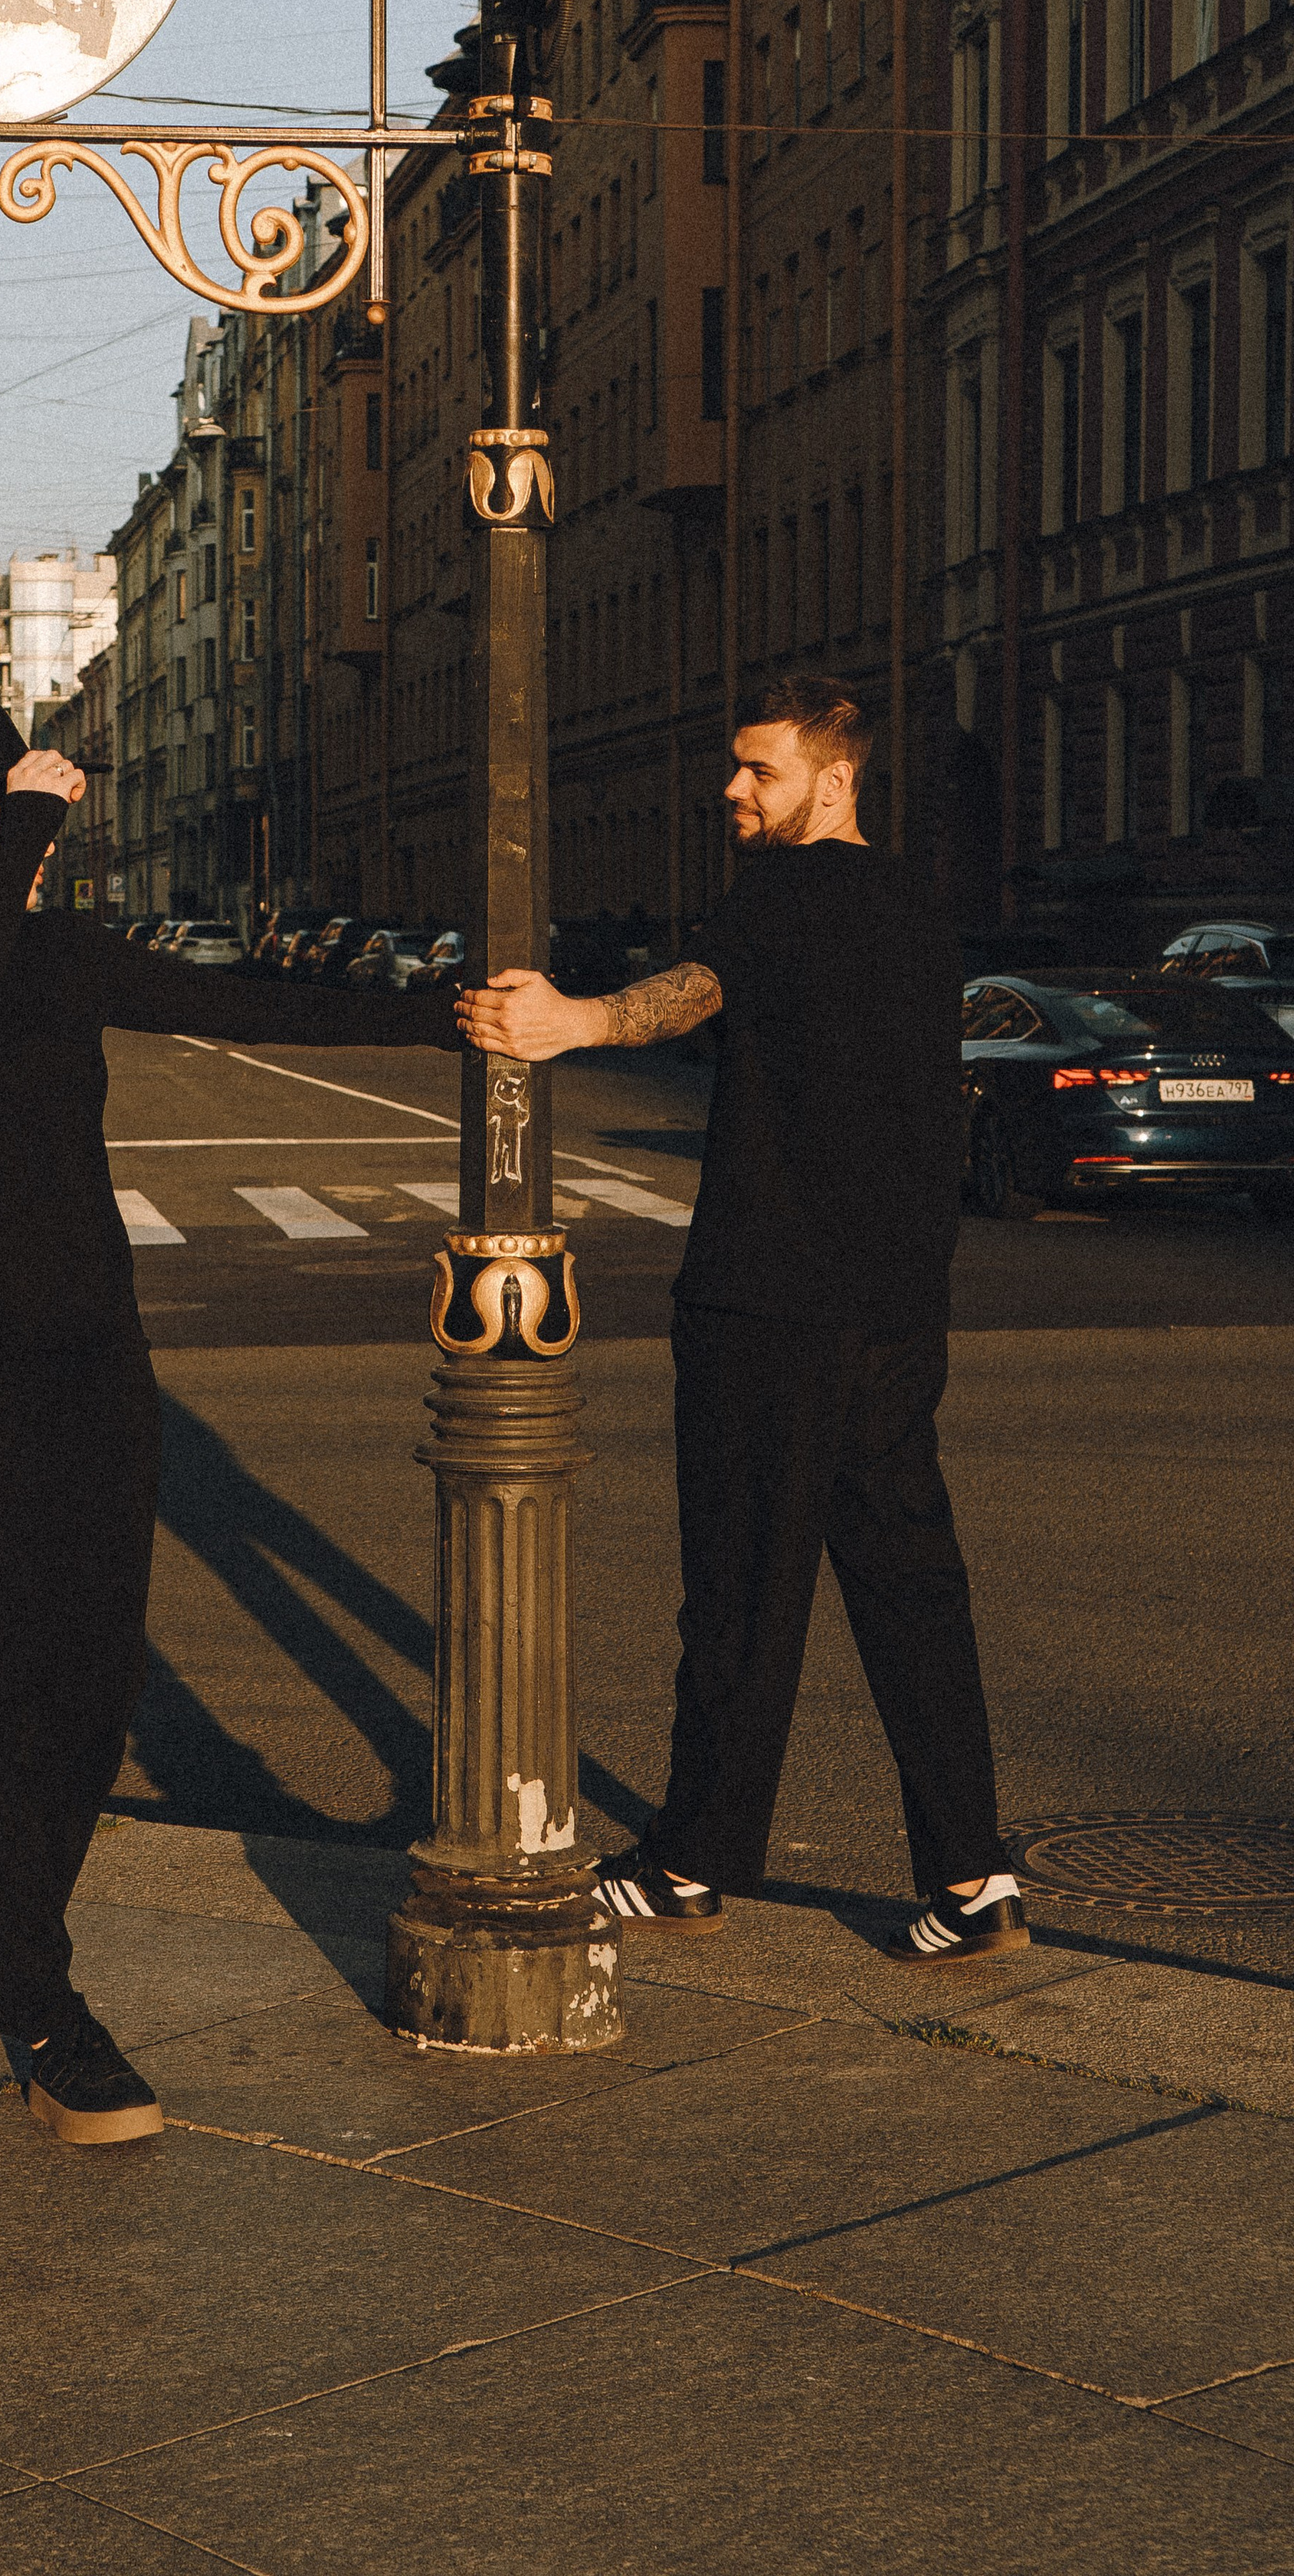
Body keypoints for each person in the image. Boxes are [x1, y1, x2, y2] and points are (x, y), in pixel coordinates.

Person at [0, 704, 459, 2145]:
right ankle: (45, 2010)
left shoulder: (50, 956)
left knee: (87, 1697)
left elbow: (256, 1009)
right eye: (3, 830)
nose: (28, 859)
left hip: (92, 1374)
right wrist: (27, 826)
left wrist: (455, 1018)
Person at [456, 677, 1025, 1968]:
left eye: (757, 773)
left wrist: (571, 1023)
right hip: (894, 1306)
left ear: (831, 782)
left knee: (737, 1592)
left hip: (769, 1298)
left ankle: (691, 1860)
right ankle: (974, 1875)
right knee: (910, 1587)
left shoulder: (781, 892)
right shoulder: (922, 910)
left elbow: (700, 989)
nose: (733, 791)